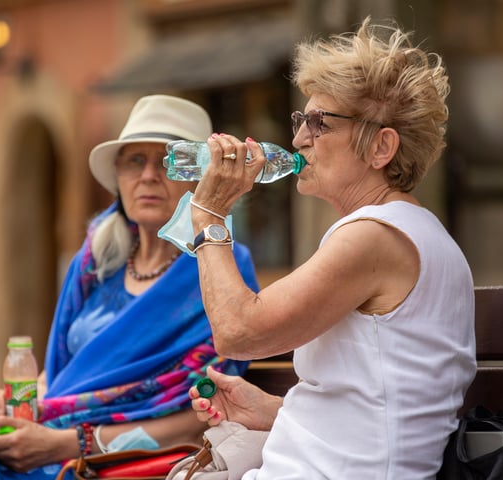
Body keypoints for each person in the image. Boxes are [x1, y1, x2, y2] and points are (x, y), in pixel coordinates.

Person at [0, 95, 260, 479]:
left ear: (202, 179)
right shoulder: (95, 262)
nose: (149, 175)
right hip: (47, 441)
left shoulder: (220, 268)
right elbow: (60, 371)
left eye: (170, 161)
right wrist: (17, 405)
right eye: (135, 160)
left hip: (115, 464)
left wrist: (72, 443)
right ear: (118, 176)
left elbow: (197, 421)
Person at [184, 18, 476, 479]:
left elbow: (239, 332)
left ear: (381, 147)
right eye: (302, 119)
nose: (299, 137)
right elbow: (380, 408)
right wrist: (274, 410)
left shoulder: (375, 236)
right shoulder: (397, 230)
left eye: (319, 122)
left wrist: (209, 217)